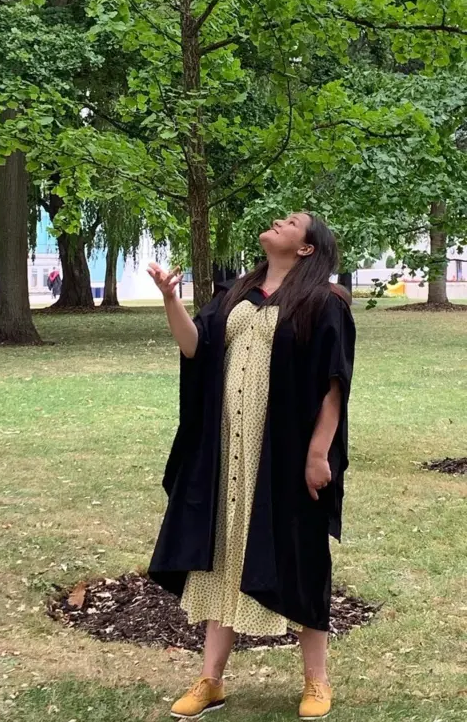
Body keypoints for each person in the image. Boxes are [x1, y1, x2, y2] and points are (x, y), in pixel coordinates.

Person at [148, 213, 356, 720]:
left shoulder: (323, 303)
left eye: (290, 223)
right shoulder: (237, 291)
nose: (277, 223)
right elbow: (195, 347)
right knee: (223, 555)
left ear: (306, 249)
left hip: (285, 452)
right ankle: (211, 681)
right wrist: (172, 300)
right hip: (227, 452)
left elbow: (334, 385)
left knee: (302, 557)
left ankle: (316, 681)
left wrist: (317, 454)